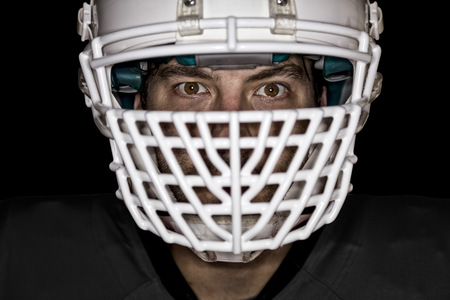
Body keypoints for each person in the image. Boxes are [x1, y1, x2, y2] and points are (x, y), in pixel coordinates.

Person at [1, 0, 449, 299]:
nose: (230, 130)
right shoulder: (15, 256)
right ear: (134, 102)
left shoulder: (436, 257)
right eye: (191, 87)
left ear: (325, 101)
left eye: (271, 89)